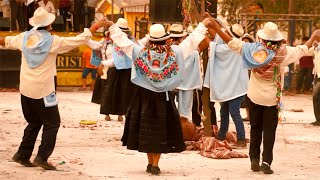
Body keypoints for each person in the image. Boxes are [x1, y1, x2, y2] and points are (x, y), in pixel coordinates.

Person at [0, 7, 106, 170]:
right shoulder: (54, 41)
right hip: (44, 91)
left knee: (34, 122)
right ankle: (42, 157)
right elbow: (79, 40)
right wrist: (97, 25)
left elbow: (5, 41)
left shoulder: (24, 38)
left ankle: (22, 154)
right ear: (50, 25)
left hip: (26, 90)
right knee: (52, 123)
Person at [209, 18, 320, 174]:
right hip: (272, 99)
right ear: (278, 39)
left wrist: (216, 27)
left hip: (254, 96)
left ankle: (254, 159)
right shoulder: (284, 53)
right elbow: (302, 49)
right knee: (269, 131)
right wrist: (314, 36)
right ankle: (266, 163)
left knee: (255, 128)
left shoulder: (252, 50)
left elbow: (232, 43)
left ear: (262, 38)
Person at [103, 17, 211, 175]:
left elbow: (123, 42)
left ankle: (149, 162)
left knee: (147, 129)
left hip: (143, 96)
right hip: (163, 97)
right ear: (165, 39)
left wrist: (111, 26)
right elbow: (191, 42)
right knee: (159, 129)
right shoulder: (174, 53)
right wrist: (203, 25)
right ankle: (155, 164)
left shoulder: (140, 52)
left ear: (151, 39)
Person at [204, 23, 248, 148]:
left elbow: (212, 46)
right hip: (232, 86)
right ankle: (222, 135)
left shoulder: (229, 48)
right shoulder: (239, 45)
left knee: (234, 112)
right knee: (224, 111)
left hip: (234, 87)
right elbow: (219, 35)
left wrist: (201, 32)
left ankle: (241, 139)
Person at [99, 18, 136, 122]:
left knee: (124, 93)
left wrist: (103, 64)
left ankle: (122, 113)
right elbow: (116, 60)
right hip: (116, 70)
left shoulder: (131, 43)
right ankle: (108, 113)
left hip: (127, 71)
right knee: (111, 92)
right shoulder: (113, 43)